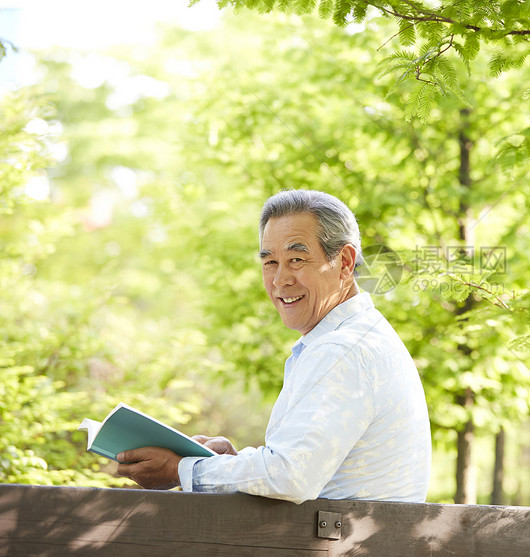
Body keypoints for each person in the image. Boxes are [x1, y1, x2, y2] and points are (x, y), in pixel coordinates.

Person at [117, 189, 432, 503]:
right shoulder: (360, 336)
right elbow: (301, 468)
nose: (281, 279)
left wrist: (179, 470)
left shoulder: (342, 349)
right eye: (270, 262)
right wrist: (228, 460)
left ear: (345, 262)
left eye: (296, 259)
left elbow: (290, 476)